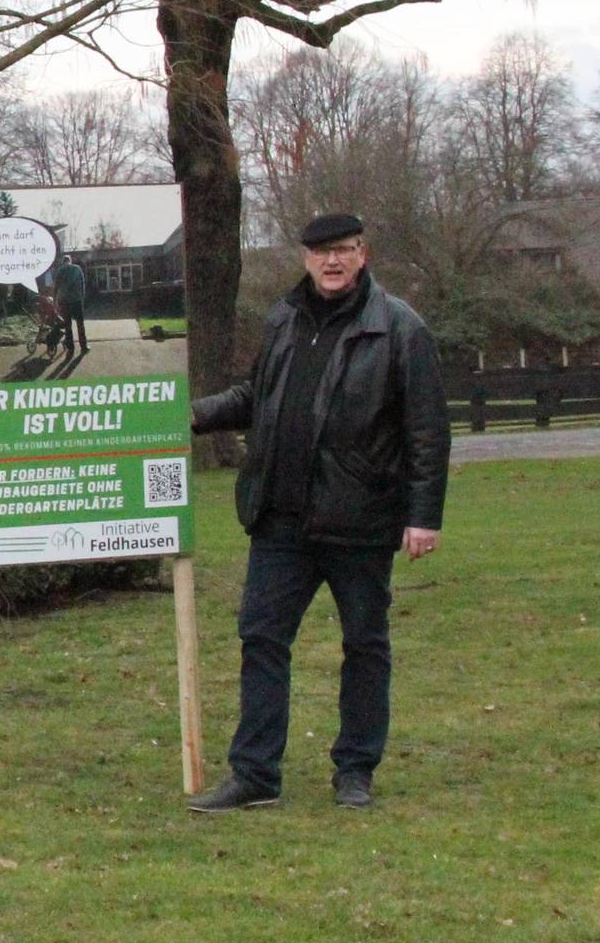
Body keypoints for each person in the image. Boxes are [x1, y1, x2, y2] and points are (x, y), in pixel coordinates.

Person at [185, 213, 448, 812]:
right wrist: (194, 414)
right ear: (305, 258)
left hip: (361, 519)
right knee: (261, 639)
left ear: (363, 254)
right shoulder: (284, 319)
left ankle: (355, 770)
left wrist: (423, 515)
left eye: (344, 250)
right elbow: (256, 396)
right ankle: (255, 774)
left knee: (365, 645)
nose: (332, 261)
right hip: (280, 520)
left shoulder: (400, 328)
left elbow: (428, 430)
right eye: (321, 251)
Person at [51, 254, 90, 353]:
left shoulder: (60, 270)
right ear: (70, 261)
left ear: (63, 261)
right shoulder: (77, 269)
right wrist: (82, 297)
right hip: (77, 300)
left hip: (64, 301)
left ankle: (70, 348)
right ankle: (84, 347)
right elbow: (83, 284)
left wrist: (55, 301)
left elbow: (55, 287)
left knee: (68, 325)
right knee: (80, 324)